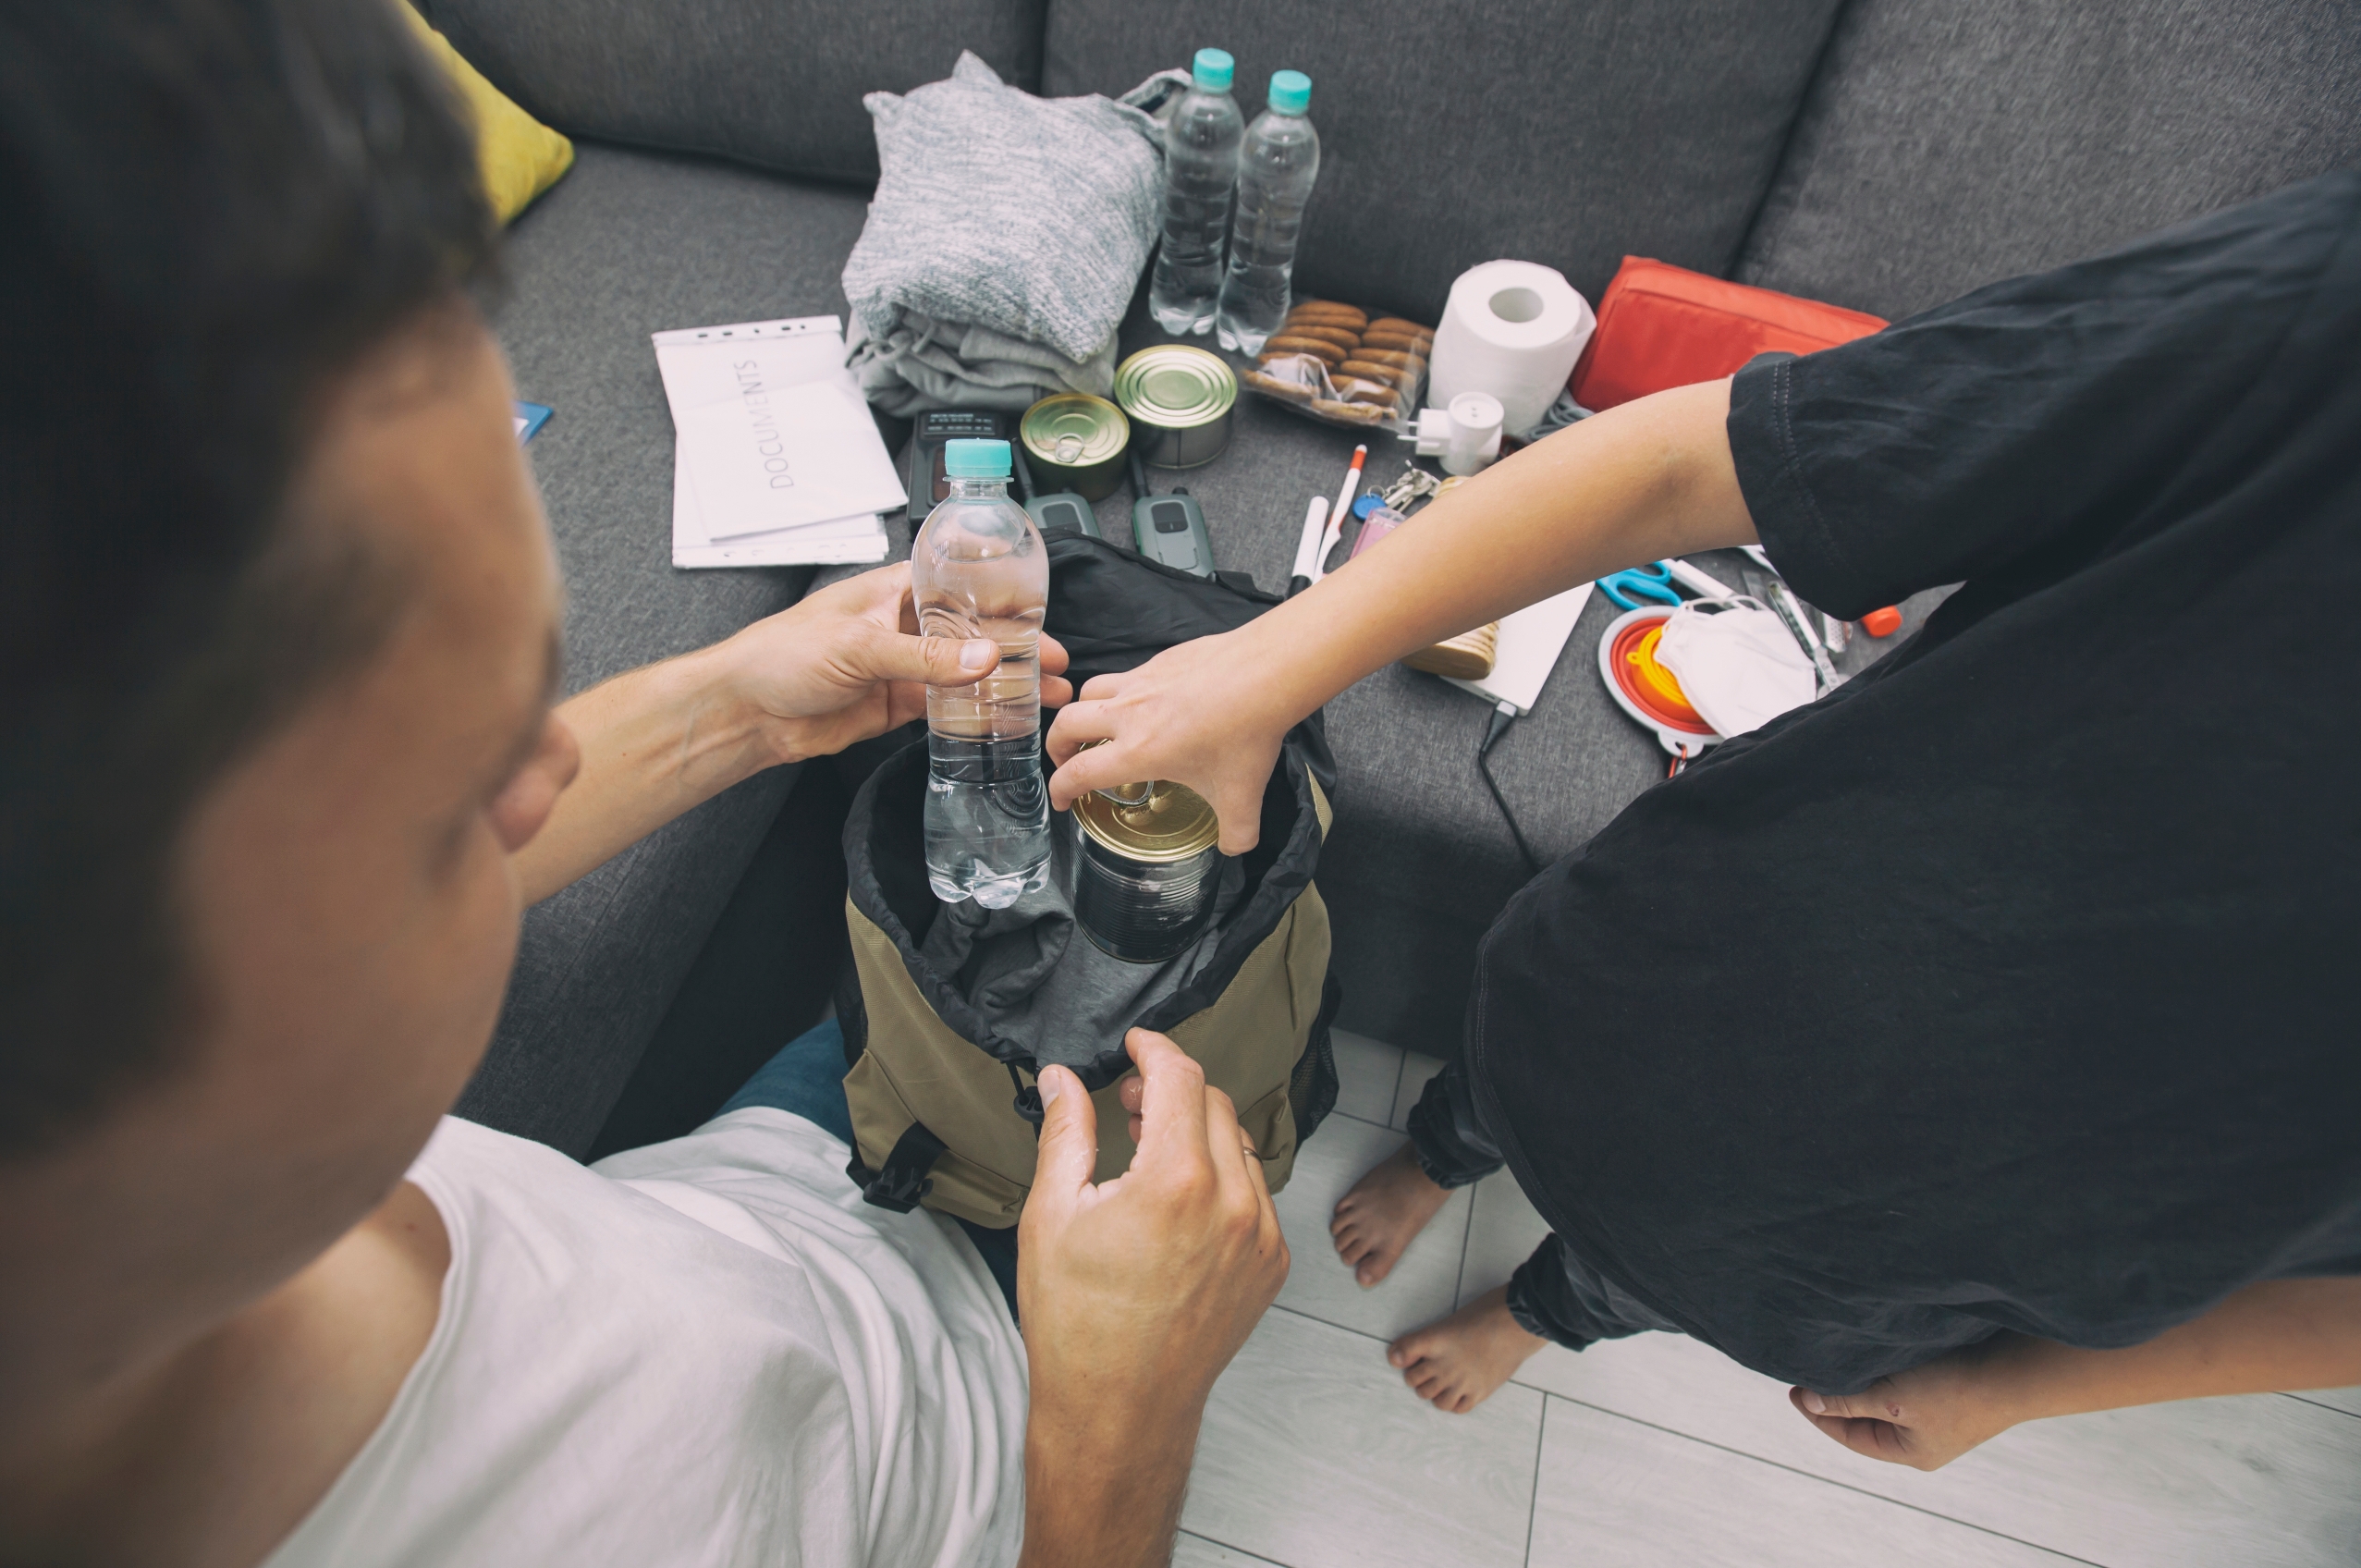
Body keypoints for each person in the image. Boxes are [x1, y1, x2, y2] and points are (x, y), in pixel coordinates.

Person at [0, 3, 1284, 1564]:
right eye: (454, 798)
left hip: (785, 1182)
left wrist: (736, 705)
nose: (557, 759)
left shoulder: (130, 1168)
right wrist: (1116, 1430)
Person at [1046, 170, 2361, 1468]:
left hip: (1899, 1269)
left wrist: (2021, 1390)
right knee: (1498, 1088)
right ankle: (1439, 1159)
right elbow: (1693, 461)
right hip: (1680, 981)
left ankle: (1529, 1312)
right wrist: (1258, 669)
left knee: (1630, 1290)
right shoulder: (2326, 311)